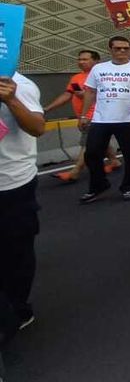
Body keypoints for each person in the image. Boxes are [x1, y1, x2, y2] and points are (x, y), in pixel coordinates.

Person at [78, 36, 130, 203]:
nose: (122, 51)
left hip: (128, 119)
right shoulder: (98, 69)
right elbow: (90, 92)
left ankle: (128, 186)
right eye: (118, 48)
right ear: (110, 50)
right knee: (92, 153)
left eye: (126, 48)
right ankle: (98, 185)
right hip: (101, 119)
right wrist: (84, 115)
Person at [0, 72, 45, 333]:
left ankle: (17, 308)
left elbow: (38, 128)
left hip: (12, 184)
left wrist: (11, 99)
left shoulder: (21, 85)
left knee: (15, 253)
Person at [42, 50, 121, 183]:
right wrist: (47, 108)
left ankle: (75, 171)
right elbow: (67, 95)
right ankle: (114, 161)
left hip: (96, 116)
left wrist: (86, 95)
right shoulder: (76, 78)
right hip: (83, 116)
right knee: (101, 141)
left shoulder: (104, 76)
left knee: (88, 144)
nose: (81, 62)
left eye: (85, 59)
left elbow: (111, 94)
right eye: (79, 59)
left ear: (96, 61)